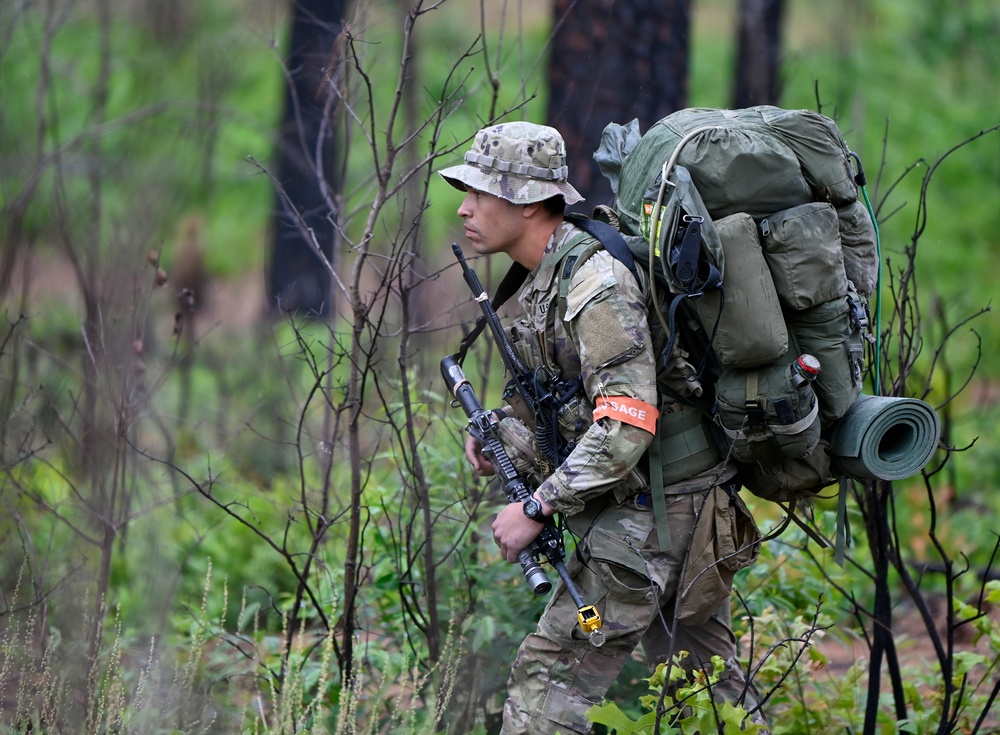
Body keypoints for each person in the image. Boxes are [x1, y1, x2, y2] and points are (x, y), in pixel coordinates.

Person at [440, 121, 768, 735]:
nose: (464, 207)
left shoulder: (595, 281)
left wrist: (536, 507)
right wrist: (506, 431)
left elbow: (626, 424)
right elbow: (569, 400)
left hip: (653, 518)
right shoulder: (545, 277)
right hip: (671, 508)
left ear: (532, 202)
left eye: (482, 193)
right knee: (709, 697)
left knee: (547, 688)